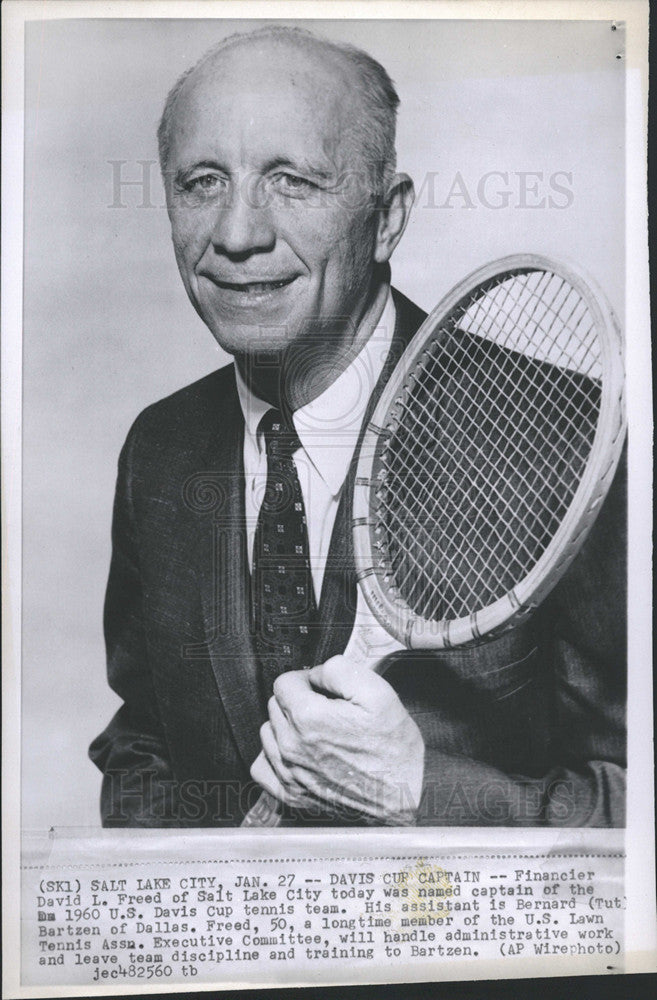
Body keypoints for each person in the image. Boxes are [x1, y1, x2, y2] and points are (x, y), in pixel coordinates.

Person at [89, 25, 626, 828]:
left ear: (387, 219)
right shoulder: (160, 453)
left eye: (293, 181)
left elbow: (634, 799)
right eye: (202, 181)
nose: (238, 234)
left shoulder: (564, 438)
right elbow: (143, 746)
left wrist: (419, 792)